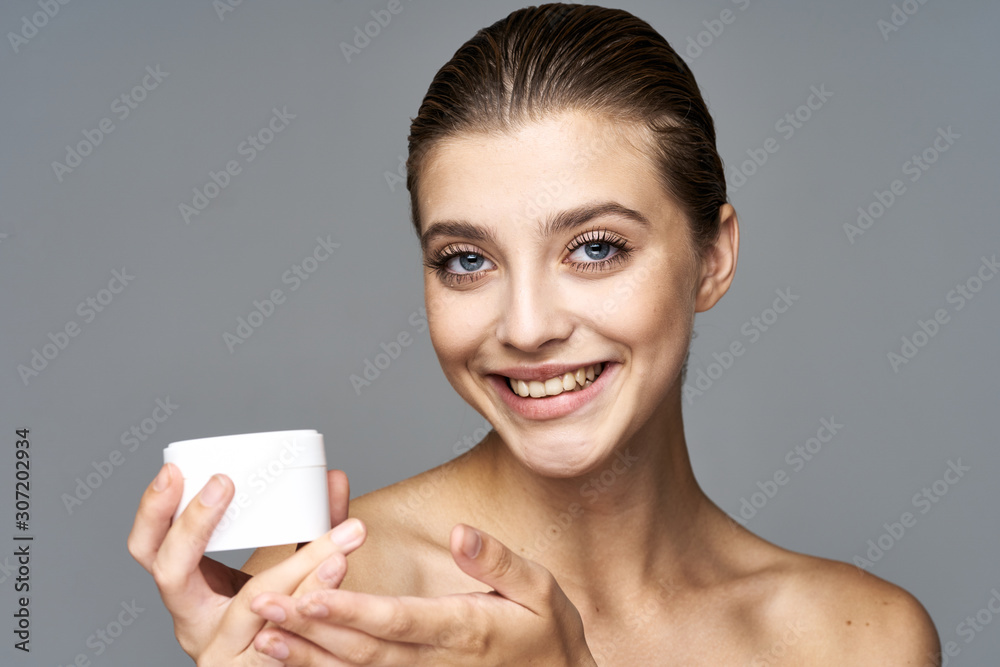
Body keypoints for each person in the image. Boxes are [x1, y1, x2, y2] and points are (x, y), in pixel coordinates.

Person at [128, 4, 941, 664]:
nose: (526, 327)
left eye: (595, 248)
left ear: (712, 258)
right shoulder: (350, 604)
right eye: (467, 260)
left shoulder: (862, 639)